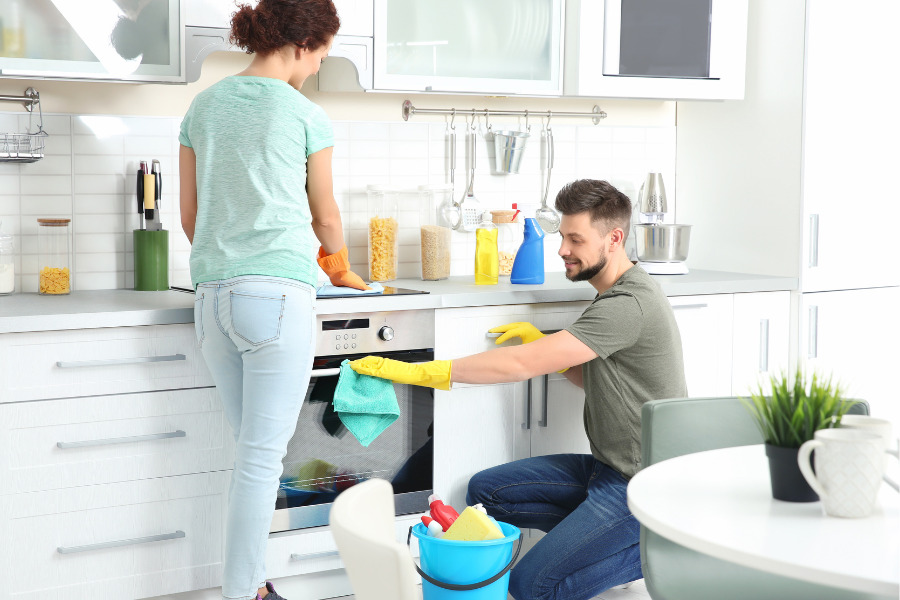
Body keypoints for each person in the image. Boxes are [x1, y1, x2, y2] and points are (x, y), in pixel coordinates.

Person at [350, 179, 687, 600]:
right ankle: (606, 543)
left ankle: (650, 547)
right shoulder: (612, 294)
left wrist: (421, 373)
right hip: (606, 471)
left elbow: (520, 366)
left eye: (575, 239)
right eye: (562, 236)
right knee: (488, 493)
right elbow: (597, 380)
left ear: (614, 238)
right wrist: (552, 350)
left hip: (641, 486)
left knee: (531, 586)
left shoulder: (628, 304)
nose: (562, 249)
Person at [178, 2, 367, 599]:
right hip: (277, 299)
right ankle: (241, 597)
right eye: (321, 56)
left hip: (212, 299)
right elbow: (327, 218)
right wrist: (339, 268)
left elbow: (191, 218)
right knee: (261, 464)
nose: (316, 69)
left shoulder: (202, 106)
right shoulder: (305, 113)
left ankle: (255, 586)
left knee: (251, 458)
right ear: (303, 42)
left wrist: (230, 258)